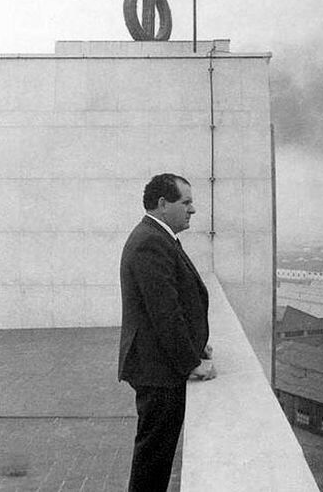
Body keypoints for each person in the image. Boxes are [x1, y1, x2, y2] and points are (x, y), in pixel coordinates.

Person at [118, 173, 216, 492]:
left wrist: (196, 346)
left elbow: (176, 300)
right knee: (153, 461)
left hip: (159, 365)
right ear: (163, 204)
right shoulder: (150, 241)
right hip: (157, 370)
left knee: (156, 457)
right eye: (186, 202)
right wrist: (192, 363)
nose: (193, 210)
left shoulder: (159, 237)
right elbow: (165, 313)